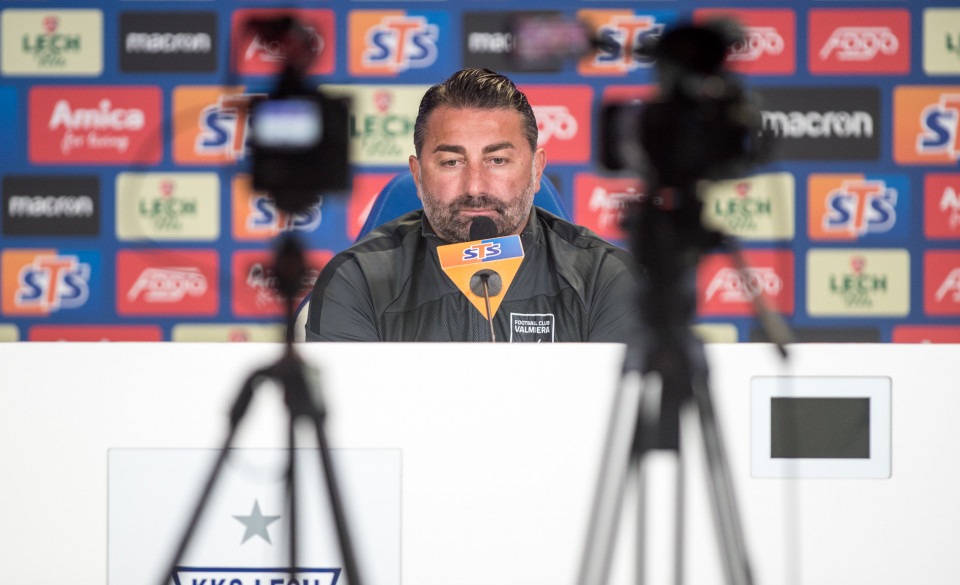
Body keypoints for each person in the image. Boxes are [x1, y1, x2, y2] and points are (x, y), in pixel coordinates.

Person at [305, 68, 638, 342]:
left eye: (497, 160)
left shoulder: (604, 278)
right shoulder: (357, 280)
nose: (475, 187)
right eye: (452, 162)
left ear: (536, 171)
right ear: (418, 176)